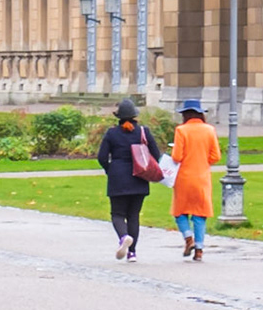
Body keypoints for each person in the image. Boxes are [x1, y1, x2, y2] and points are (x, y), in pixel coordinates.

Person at [95, 98, 163, 261]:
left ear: (118, 117)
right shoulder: (143, 132)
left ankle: (123, 236)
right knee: (134, 215)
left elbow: (102, 157)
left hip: (118, 178)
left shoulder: (112, 133)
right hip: (139, 178)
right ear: (135, 116)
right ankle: (132, 252)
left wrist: (110, 170)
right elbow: (156, 155)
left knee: (117, 214)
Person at [169, 98, 221, 260]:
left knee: (180, 211)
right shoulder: (209, 130)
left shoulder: (181, 130)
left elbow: (177, 156)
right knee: (200, 214)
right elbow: (216, 156)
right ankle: (199, 250)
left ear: (185, 115)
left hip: (184, 177)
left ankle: (188, 237)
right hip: (202, 177)